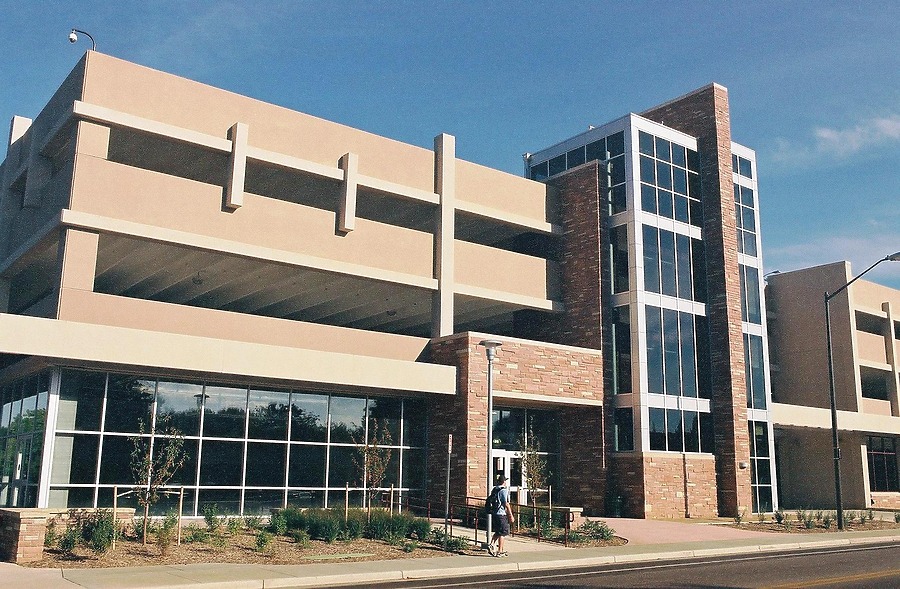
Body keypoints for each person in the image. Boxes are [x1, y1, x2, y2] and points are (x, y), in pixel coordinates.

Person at [488, 474, 514, 557]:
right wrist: (510, 515)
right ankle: (500, 551)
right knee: (503, 532)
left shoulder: (495, 489)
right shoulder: (503, 490)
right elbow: (506, 503)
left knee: (498, 531)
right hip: (501, 514)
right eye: (505, 480)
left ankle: (491, 544)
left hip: (495, 513)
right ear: (504, 481)